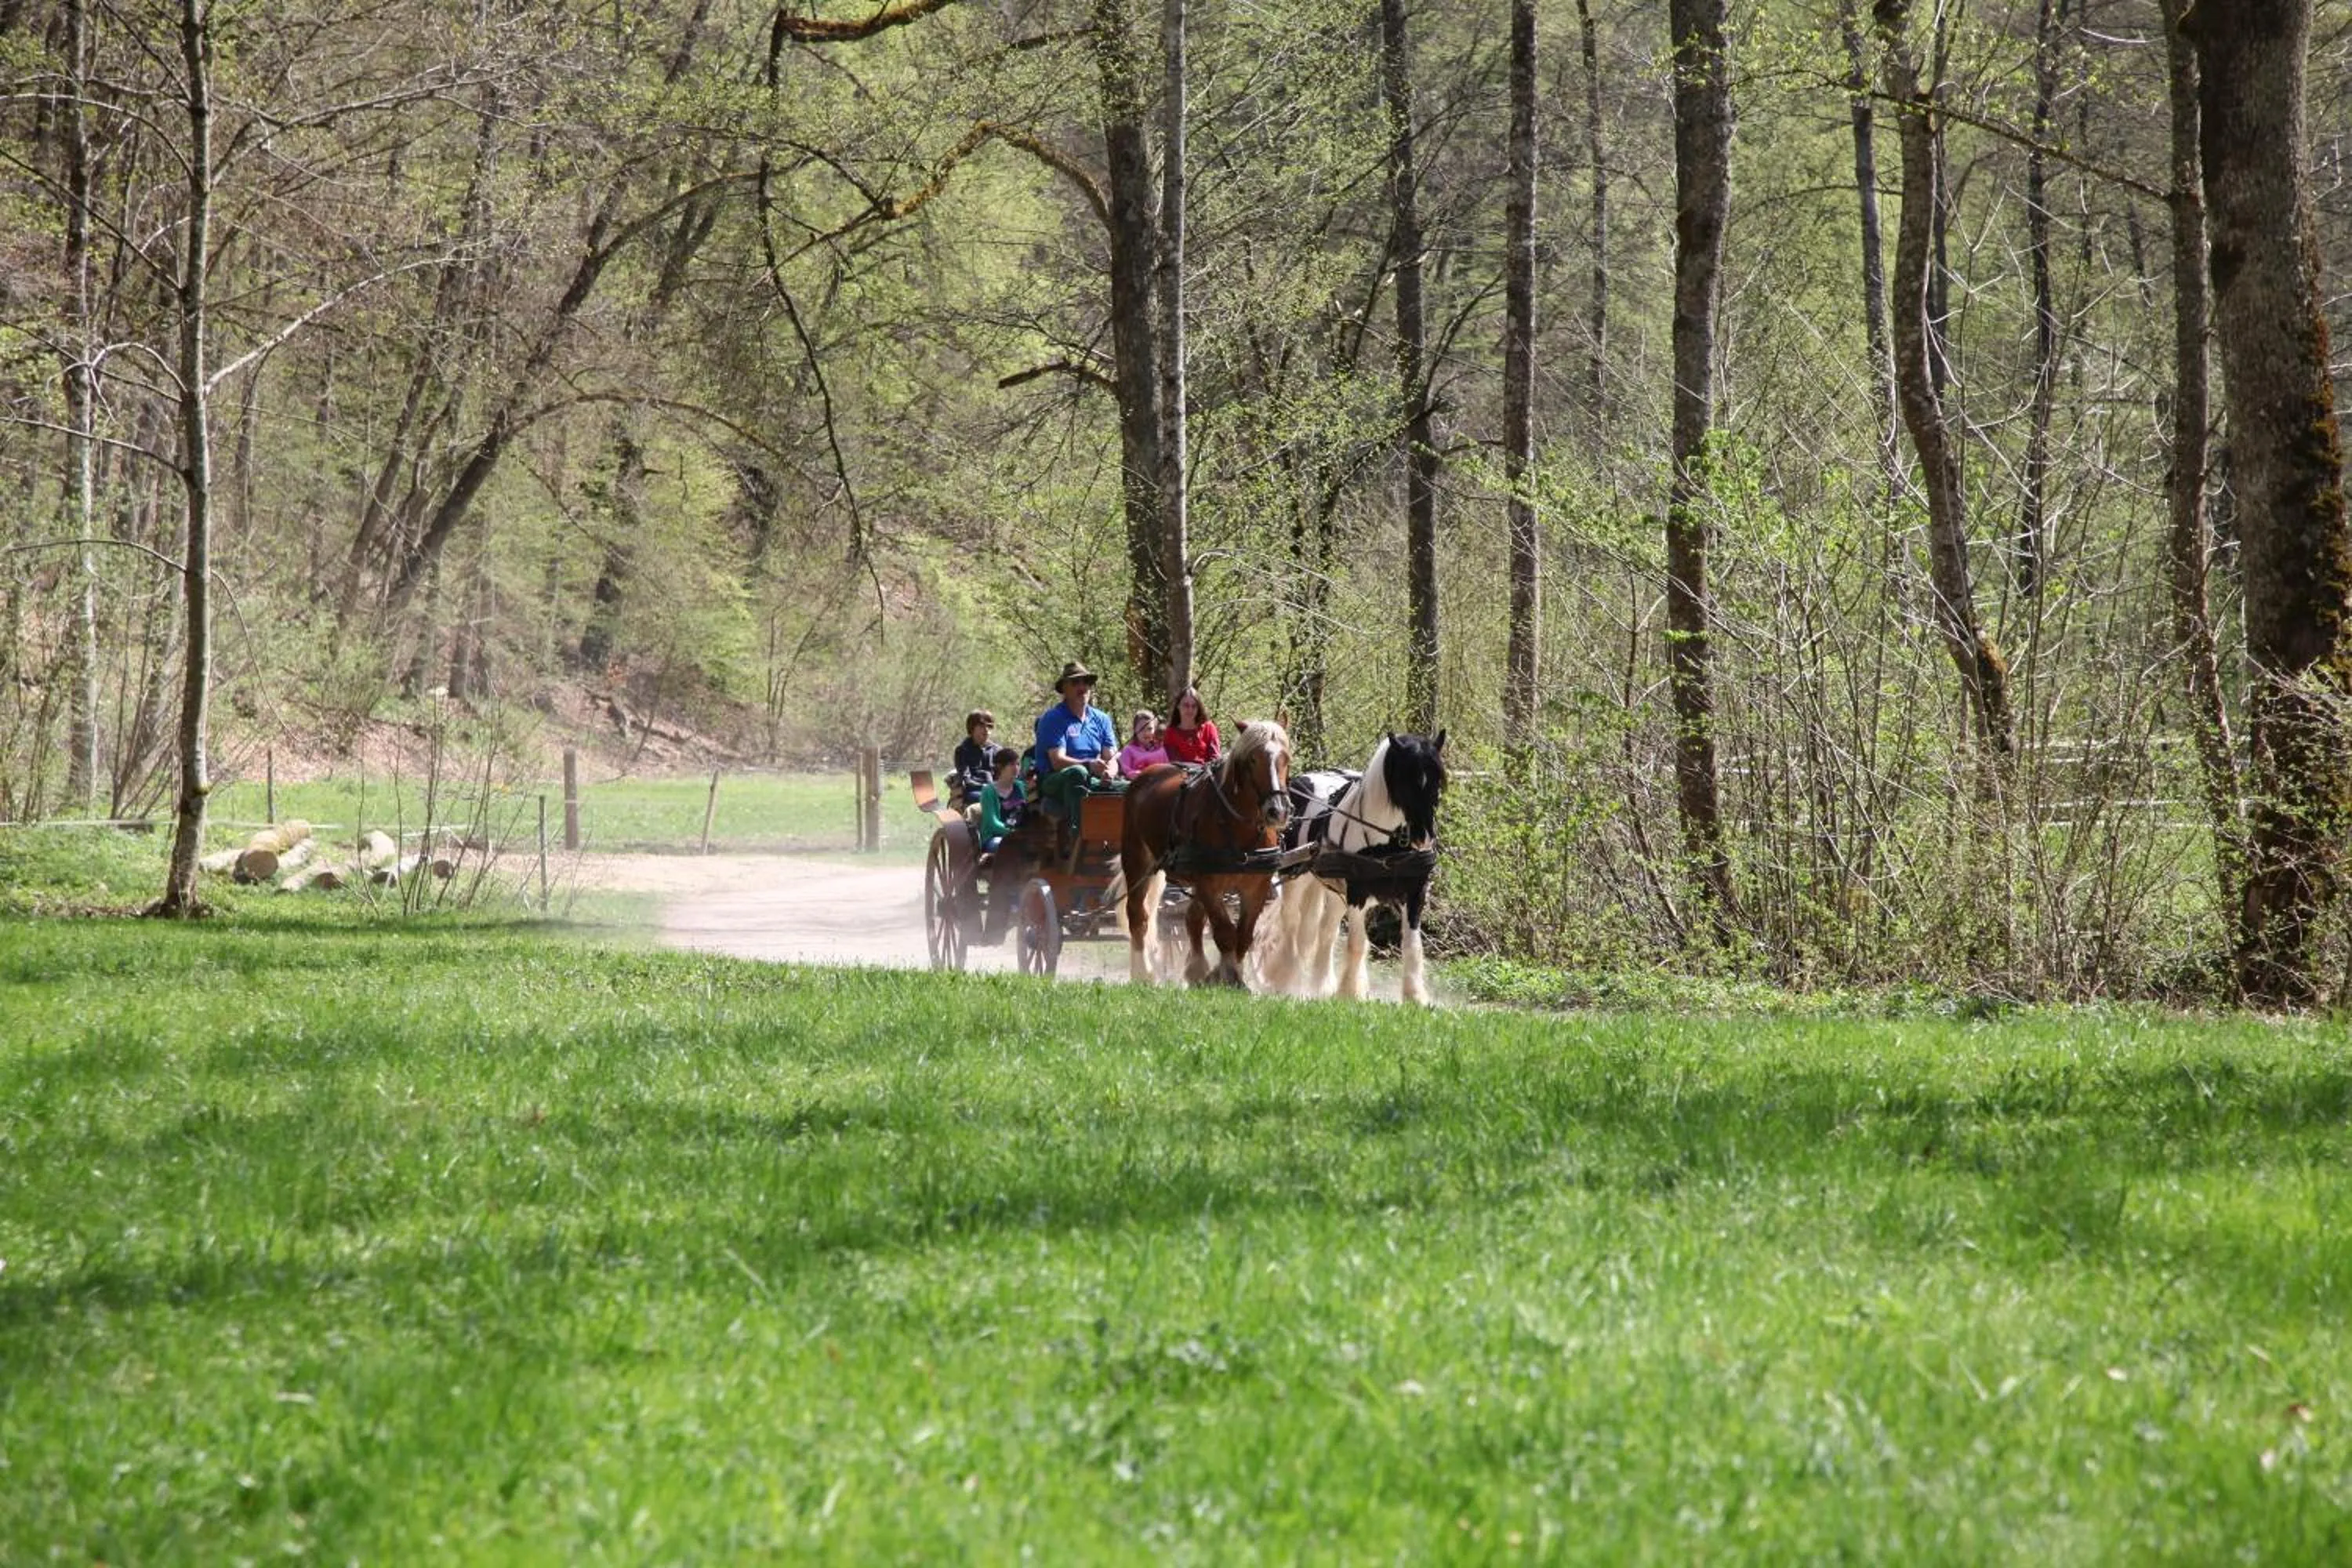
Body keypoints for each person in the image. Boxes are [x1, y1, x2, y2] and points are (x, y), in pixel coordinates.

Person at [1033, 660, 1123, 821]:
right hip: (1055, 779)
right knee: (1078, 773)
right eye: (1075, 682)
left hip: (1092, 779)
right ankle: (1078, 837)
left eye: (1086, 682)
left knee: (1138, 788)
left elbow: (1111, 757)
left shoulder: (1102, 719)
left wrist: (1110, 772)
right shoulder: (1053, 718)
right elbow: (1057, 761)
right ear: (1064, 689)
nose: (1082, 687)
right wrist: (1089, 765)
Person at [976, 747, 1025, 852]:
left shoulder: (1020, 786)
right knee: (1006, 846)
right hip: (995, 837)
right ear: (1000, 767)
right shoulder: (988, 791)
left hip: (1019, 836)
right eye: (1011, 764)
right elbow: (992, 823)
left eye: (1018, 764)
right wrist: (1013, 833)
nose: (1016, 768)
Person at [1161, 686, 1221, 765]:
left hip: (1208, 774)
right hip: (1181, 775)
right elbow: (1175, 764)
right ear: (1178, 706)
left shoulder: (1209, 728)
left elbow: (1215, 758)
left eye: (1194, 706)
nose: (1190, 710)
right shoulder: (1170, 733)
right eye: (1186, 705)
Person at [949, 710, 998, 806]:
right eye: (981, 726)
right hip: (975, 791)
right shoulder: (962, 751)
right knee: (987, 798)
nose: (986, 730)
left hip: (997, 790)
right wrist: (987, 788)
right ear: (972, 728)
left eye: (989, 726)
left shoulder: (997, 750)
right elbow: (967, 780)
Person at [1118, 710, 1168, 778]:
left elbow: (1168, 768)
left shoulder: (1162, 749)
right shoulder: (1128, 750)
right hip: (1138, 783)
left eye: (1150, 729)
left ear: (1155, 730)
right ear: (1135, 730)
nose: (1146, 733)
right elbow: (1126, 771)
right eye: (1142, 729)